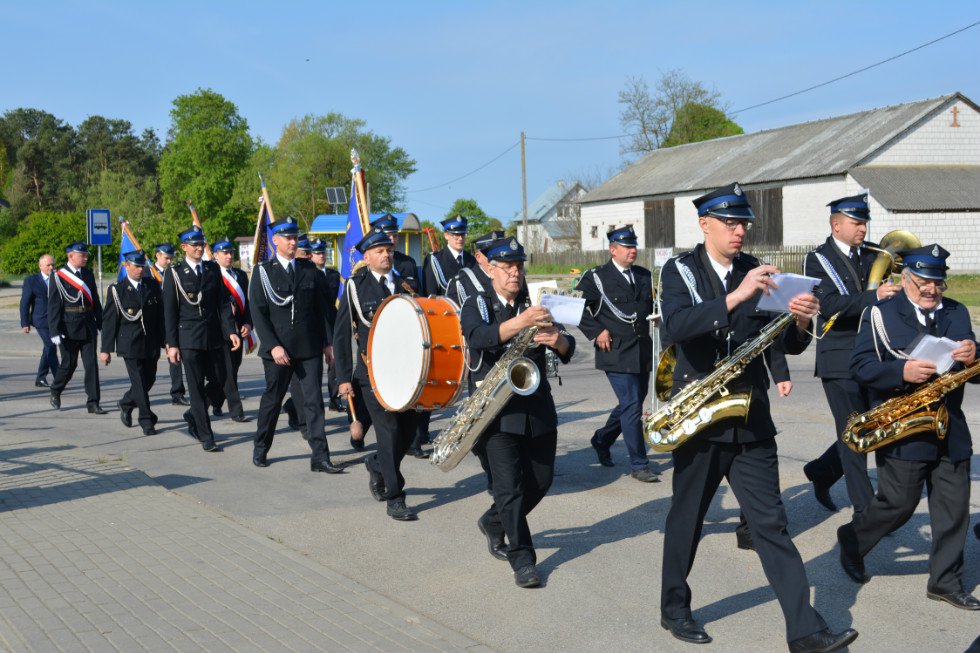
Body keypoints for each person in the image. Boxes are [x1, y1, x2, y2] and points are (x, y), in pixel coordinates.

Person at [658, 183, 857, 652]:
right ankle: (674, 607)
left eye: (744, 222)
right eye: (730, 223)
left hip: (750, 417)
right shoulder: (680, 271)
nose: (740, 230)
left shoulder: (758, 269)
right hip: (700, 417)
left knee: (770, 525)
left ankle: (804, 631)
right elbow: (677, 326)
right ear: (704, 223)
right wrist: (735, 296)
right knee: (687, 518)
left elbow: (782, 342)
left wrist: (801, 319)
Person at [839, 244, 979, 611]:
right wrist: (900, 372)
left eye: (938, 283)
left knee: (953, 508)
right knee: (898, 504)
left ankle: (945, 581)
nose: (932, 290)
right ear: (906, 279)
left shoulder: (957, 312)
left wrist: (974, 354)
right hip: (903, 427)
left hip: (949, 427)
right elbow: (860, 367)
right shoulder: (881, 314)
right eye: (924, 283)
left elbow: (974, 366)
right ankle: (853, 541)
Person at [460, 236, 575, 588]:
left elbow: (568, 348)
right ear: (491, 269)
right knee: (508, 489)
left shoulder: (539, 301)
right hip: (495, 411)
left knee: (540, 481)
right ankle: (523, 559)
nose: (514, 273)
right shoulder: (477, 303)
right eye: (507, 267)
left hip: (537, 405)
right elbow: (478, 336)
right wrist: (521, 322)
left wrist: (555, 338)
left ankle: (495, 522)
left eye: (519, 267)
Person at [801, 193, 899, 515]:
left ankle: (822, 471)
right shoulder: (817, 259)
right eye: (857, 222)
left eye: (865, 222)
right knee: (854, 431)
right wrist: (873, 296)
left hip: (873, 355)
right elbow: (826, 305)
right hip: (838, 358)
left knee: (869, 428)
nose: (863, 228)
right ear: (836, 224)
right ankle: (865, 510)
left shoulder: (873, 255)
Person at [335, 227, 419, 520]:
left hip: (406, 372)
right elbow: (341, 333)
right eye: (380, 251)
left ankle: (376, 463)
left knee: (408, 432)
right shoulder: (355, 287)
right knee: (388, 431)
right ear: (367, 257)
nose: (386, 255)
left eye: (389, 250)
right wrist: (343, 378)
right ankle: (395, 497)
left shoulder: (406, 285)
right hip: (371, 374)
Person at [249, 218, 343, 474]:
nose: (293, 242)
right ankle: (261, 446)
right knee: (273, 400)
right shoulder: (262, 272)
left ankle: (320, 456)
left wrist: (328, 343)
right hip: (278, 350)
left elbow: (322, 310)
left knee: (314, 401)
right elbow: (258, 313)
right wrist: (273, 346)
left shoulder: (309, 269)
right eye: (287, 238)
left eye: (295, 238)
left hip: (309, 347)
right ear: (275, 241)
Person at [576, 225, 659, 482]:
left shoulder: (644, 276)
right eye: (627, 246)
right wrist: (596, 330)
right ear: (613, 250)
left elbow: (652, 306)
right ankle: (639, 464)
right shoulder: (596, 277)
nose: (633, 250)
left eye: (634, 246)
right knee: (632, 404)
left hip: (641, 350)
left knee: (631, 402)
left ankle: (602, 439)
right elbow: (576, 309)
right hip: (615, 351)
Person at [162, 226, 240, 453]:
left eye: (201, 244)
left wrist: (231, 331)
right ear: (184, 247)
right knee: (195, 387)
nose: (198, 248)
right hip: (189, 338)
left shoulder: (212, 269)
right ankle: (206, 435)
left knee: (222, 380)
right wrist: (172, 344)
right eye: (194, 245)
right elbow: (169, 311)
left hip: (214, 337)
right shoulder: (174, 273)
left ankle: (193, 414)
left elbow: (223, 303)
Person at [415, 216, 476, 457]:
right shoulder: (435, 261)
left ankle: (470, 427)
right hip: (445, 325)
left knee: (473, 378)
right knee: (436, 379)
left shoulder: (471, 261)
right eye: (455, 234)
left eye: (462, 234)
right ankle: (420, 433)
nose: (460, 238)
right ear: (446, 236)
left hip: (470, 325)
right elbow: (431, 295)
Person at [100, 250, 164, 435]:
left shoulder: (152, 286)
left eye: (142, 266)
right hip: (129, 343)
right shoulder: (117, 289)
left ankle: (126, 403)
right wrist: (106, 349)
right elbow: (110, 321)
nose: (140, 269)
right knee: (138, 382)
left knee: (148, 380)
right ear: (126, 266)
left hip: (150, 342)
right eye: (136, 266)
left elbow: (160, 317)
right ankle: (146, 420)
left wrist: (166, 341)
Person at [48, 241, 105, 414]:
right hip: (68, 326)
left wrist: (103, 324)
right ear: (71, 256)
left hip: (87, 324)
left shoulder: (87, 273)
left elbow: (94, 301)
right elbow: (54, 305)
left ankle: (93, 401)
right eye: (83, 255)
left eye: (86, 255)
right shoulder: (58, 275)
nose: (86, 257)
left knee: (91, 365)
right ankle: (56, 390)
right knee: (69, 364)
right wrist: (54, 330)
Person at [207, 237, 251, 423]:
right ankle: (236, 410)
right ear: (215, 255)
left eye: (231, 253)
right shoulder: (211, 274)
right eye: (224, 253)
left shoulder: (241, 275)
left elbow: (247, 304)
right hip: (220, 330)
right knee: (228, 370)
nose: (229, 256)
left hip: (239, 330)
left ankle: (211, 401)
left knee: (232, 369)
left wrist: (248, 324)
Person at [151, 243, 189, 407]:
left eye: (171, 258)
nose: (169, 261)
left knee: (175, 356)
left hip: (171, 320)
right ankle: (137, 393)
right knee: (149, 363)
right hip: (153, 322)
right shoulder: (148, 273)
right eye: (166, 258)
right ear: (157, 256)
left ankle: (177, 393)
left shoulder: (175, 272)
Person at [310, 238, 343, 412]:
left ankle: (334, 398)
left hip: (332, 322)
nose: (321, 256)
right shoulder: (308, 273)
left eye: (322, 252)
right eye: (317, 253)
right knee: (313, 369)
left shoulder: (333, 275)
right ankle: (296, 405)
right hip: (315, 324)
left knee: (334, 363)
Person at [20, 253, 58, 388]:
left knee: (47, 349)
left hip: (55, 320)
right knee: (51, 345)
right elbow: (25, 302)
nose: (51, 267)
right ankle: (59, 377)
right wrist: (24, 323)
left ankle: (40, 378)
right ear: (40, 266)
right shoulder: (31, 281)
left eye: (53, 264)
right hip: (40, 320)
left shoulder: (58, 278)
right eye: (48, 265)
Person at [446, 230, 504, 307]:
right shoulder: (461, 284)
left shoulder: (514, 277)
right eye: (491, 255)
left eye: (501, 254)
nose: (497, 259)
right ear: (478, 257)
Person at [371, 213, 420, 290]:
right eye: (388, 236)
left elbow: (418, 295)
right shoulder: (369, 263)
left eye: (395, 236)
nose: (392, 240)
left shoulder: (408, 263)